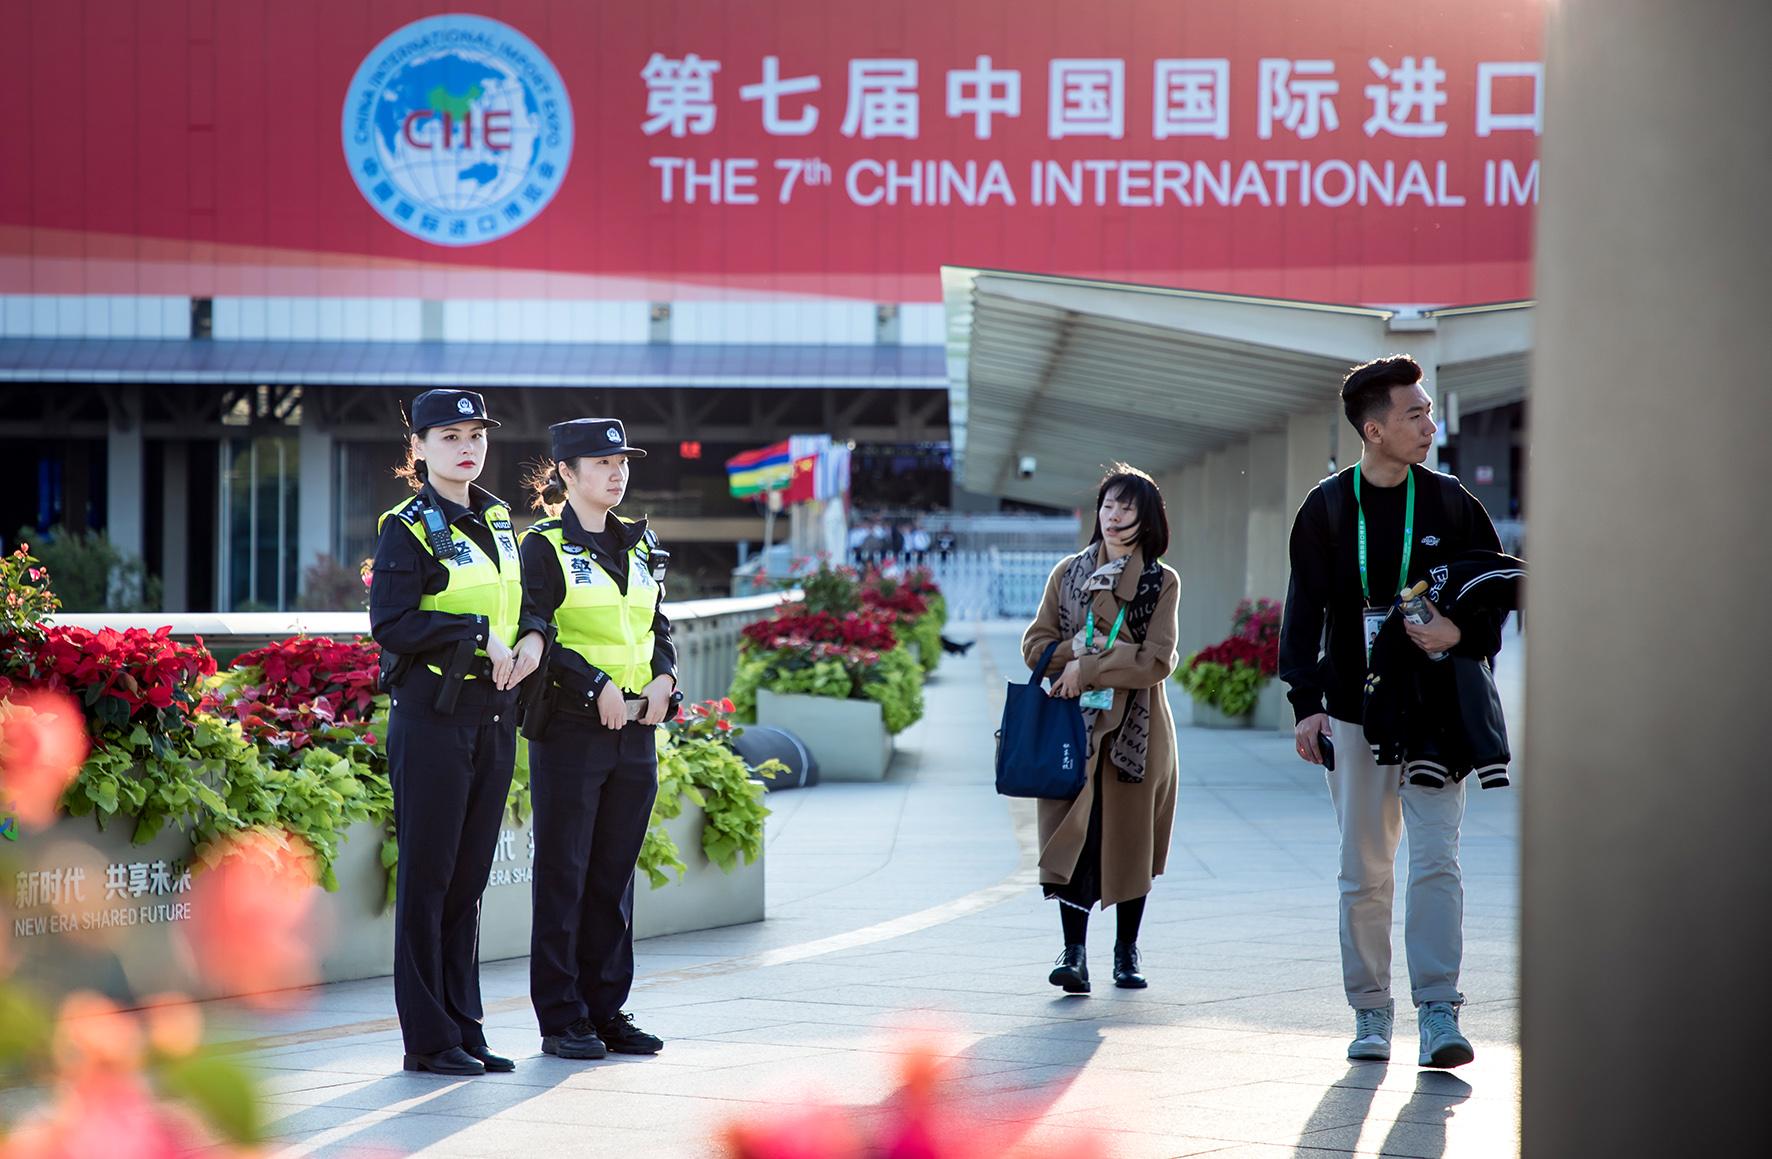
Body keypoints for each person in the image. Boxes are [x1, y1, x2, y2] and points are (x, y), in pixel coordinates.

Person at [1279, 354, 1505, 1070]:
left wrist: (1458, 634)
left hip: (1437, 716)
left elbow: (1495, 593)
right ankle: (1371, 1011)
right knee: (1364, 870)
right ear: (1373, 429)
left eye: (1429, 412)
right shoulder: (1326, 508)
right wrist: (1306, 705)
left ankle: (1438, 1008)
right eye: (1415, 414)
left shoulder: (1450, 502)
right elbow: (1302, 613)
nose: (1430, 426)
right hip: (1354, 712)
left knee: (1437, 861)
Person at [369, 389, 547, 1076]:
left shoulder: (499, 519)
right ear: (418, 448)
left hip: (493, 715)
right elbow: (392, 623)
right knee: (429, 877)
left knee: (469, 877)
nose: (467, 448)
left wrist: (533, 637)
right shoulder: (406, 527)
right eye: (449, 436)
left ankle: (464, 1027)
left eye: (476, 435)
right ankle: (428, 1038)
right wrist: (474, 634)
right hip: (433, 720)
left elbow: (525, 601)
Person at [518, 418, 676, 1061]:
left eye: (623, 463)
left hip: (636, 730)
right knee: (565, 873)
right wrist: (594, 685)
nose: (617, 474)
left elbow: (656, 623)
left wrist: (666, 676)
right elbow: (536, 631)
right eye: (602, 464)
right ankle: (562, 1018)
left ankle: (606, 1009)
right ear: (566, 472)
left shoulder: (640, 541)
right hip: (571, 730)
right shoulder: (543, 546)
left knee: (613, 876)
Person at [1021, 464, 1180, 993]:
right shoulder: (1068, 573)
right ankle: (1073, 954)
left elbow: (1157, 660)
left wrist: (1086, 667)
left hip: (1137, 728)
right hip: (1073, 727)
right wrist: (1072, 652)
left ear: (1146, 518)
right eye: (1108, 505)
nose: (1114, 516)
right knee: (1074, 837)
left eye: (1126, 508)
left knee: (1130, 840)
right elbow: (1034, 646)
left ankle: (1126, 952)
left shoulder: (1160, 580)